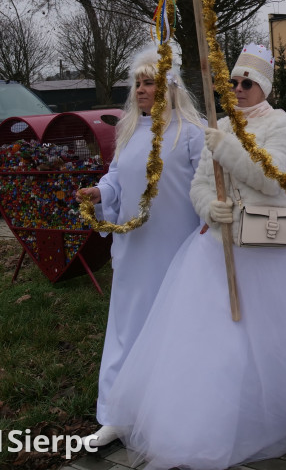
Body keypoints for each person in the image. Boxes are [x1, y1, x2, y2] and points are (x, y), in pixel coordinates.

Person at [104, 44, 286, 470]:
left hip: (266, 252)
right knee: (220, 341)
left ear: (263, 86)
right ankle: (221, 417)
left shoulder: (282, 124)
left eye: (247, 82)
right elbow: (199, 183)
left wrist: (226, 148)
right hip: (218, 249)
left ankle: (275, 411)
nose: (238, 88)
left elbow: (274, 178)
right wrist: (208, 208)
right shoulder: (222, 125)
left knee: (268, 336)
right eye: (233, 82)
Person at [76, 47, 204, 449]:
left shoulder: (190, 132)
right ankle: (116, 413)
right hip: (133, 250)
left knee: (168, 330)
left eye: (149, 83)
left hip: (175, 250)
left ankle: (169, 414)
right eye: (138, 83)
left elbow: (207, 187)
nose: (141, 90)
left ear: (169, 87)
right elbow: (117, 176)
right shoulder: (130, 129)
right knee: (125, 328)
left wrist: (208, 230)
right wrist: (100, 191)